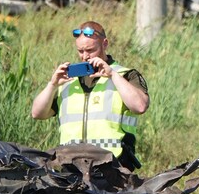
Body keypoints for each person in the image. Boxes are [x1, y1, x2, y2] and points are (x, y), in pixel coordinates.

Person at [31, 21, 150, 170]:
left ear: (104, 44)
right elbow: (37, 113)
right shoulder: (68, 81)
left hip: (113, 167)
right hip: (71, 166)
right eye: (80, 51)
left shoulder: (124, 75)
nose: (85, 56)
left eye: (90, 50)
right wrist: (53, 84)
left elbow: (140, 106)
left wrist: (112, 75)